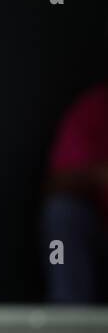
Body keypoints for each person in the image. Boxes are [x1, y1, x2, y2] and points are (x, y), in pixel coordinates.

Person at [43, 80, 108, 302]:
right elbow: (57, 182)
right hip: (100, 231)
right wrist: (97, 175)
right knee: (62, 215)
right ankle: (68, 317)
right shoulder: (96, 107)